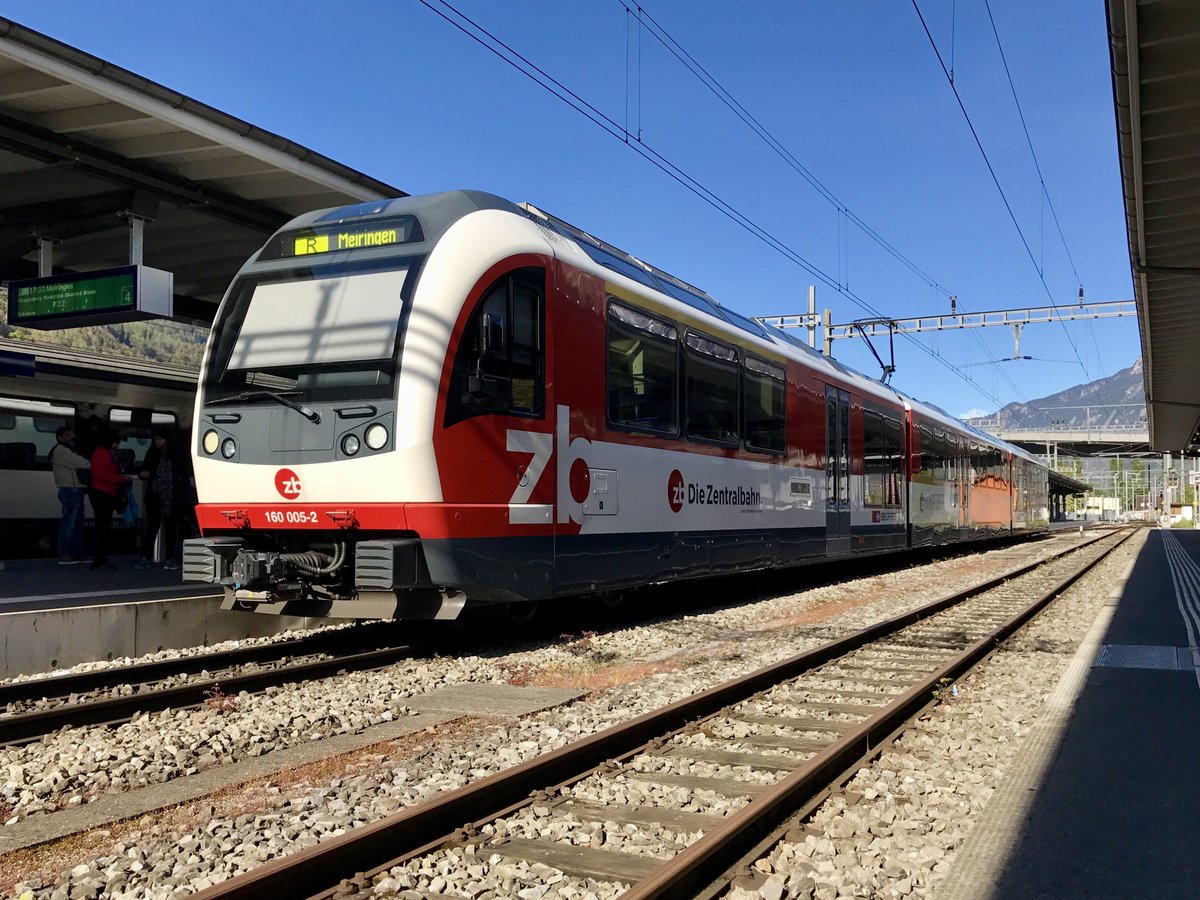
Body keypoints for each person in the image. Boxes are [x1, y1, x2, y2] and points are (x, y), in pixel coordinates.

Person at [136, 429, 184, 569]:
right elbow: (144, 471)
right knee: (152, 527)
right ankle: (147, 557)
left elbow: (181, 474)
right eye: (156, 439)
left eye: (160, 439)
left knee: (170, 528)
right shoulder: (153, 454)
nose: (157, 442)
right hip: (156, 495)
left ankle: (169, 558)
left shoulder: (174, 455)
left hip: (170, 496)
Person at [88, 429, 130, 571]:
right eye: (116, 442)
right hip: (103, 493)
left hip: (101, 492)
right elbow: (100, 475)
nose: (117, 445)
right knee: (102, 527)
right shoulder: (103, 453)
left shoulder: (101, 452)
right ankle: (99, 559)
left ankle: (99, 558)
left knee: (101, 527)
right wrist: (121, 478)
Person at [50, 425, 90, 564]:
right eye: (67, 435)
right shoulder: (62, 451)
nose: (71, 437)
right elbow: (83, 463)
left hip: (74, 490)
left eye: (71, 435)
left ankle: (76, 552)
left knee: (76, 523)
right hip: (70, 490)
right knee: (70, 523)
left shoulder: (65, 450)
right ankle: (65, 553)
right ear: (60, 437)